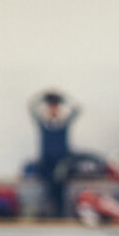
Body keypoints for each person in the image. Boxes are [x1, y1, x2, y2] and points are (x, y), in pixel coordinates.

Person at [29, 90, 80, 218]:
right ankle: (48, 212)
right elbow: (31, 107)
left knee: (60, 187)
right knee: (48, 187)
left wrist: (64, 98)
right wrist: (42, 97)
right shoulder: (43, 123)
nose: (53, 110)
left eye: (56, 107)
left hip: (61, 161)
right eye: (51, 107)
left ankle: (60, 213)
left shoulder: (63, 123)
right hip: (47, 162)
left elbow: (77, 109)